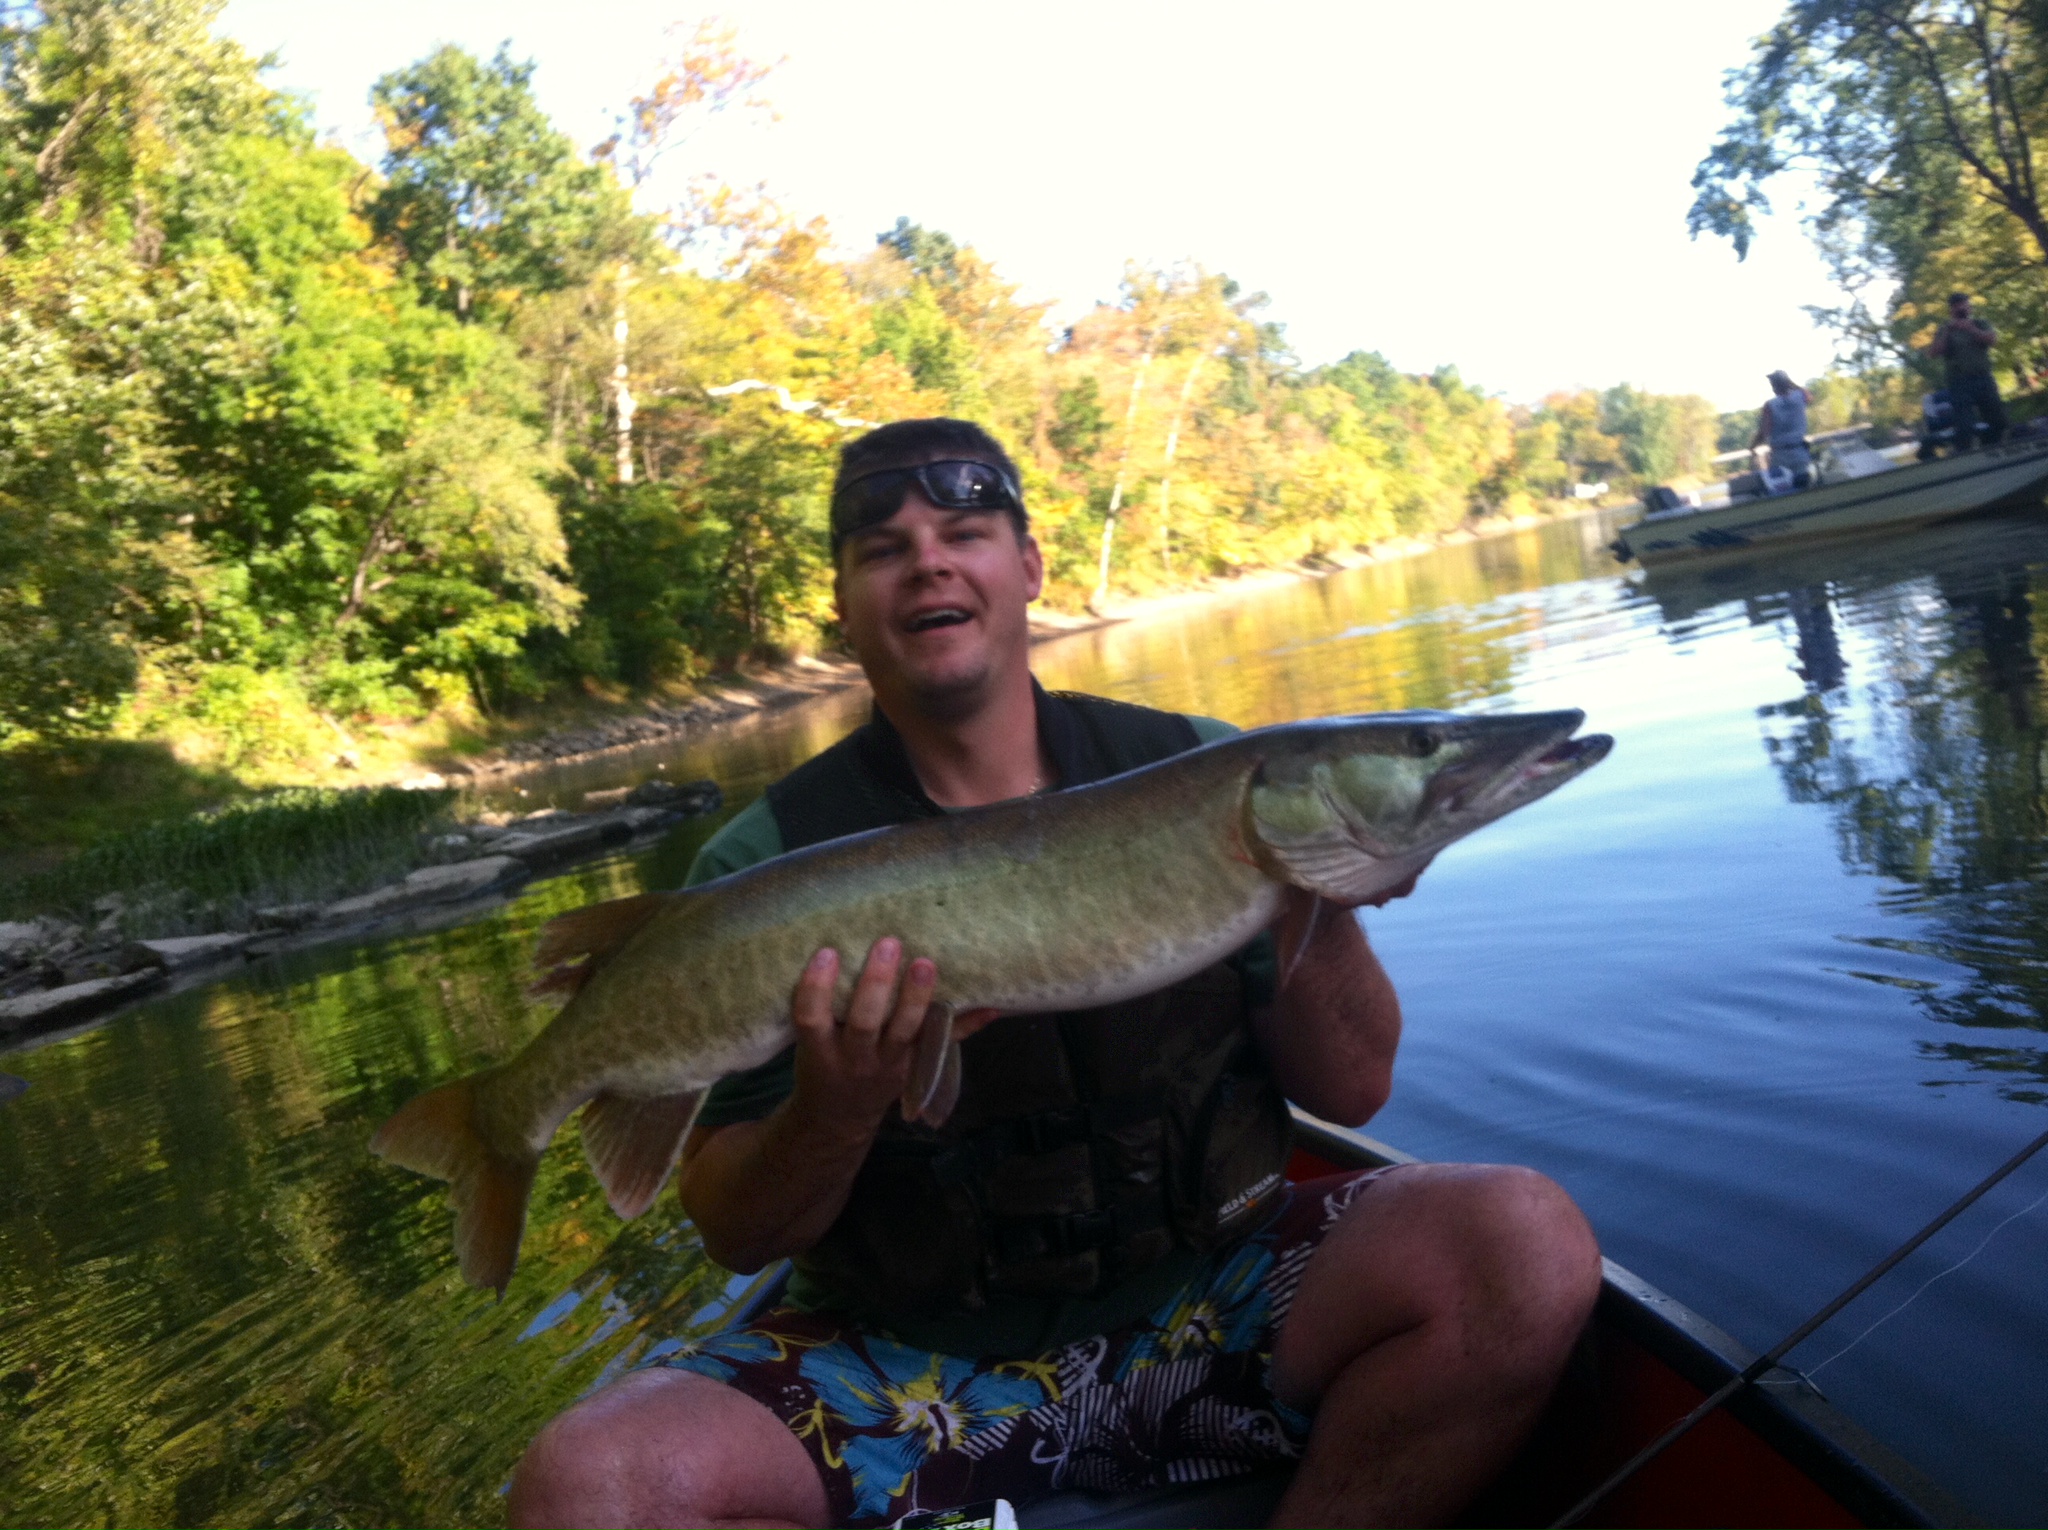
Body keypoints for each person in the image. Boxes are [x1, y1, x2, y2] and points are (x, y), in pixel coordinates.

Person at [506, 418, 1602, 1530]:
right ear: (841, 603)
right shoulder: (758, 860)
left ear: (1026, 568)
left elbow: (1354, 1092)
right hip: (912, 1365)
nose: (927, 561)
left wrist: (1311, 894)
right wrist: (835, 1110)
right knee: (589, 1488)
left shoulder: (1197, 764)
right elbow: (738, 1234)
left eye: (964, 532)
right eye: (882, 549)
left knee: (1520, 1239)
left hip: (1212, 1300)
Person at [1928, 291, 2006, 452]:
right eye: (1957, 306)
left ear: (1969, 307)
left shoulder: (1980, 323)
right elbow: (1933, 353)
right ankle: (1963, 456)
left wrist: (1971, 329)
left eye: (1964, 305)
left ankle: (1990, 449)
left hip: (1983, 379)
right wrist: (1948, 331)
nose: (1961, 309)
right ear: (1951, 310)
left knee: (1999, 421)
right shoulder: (1945, 329)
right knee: (1964, 426)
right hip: (1960, 383)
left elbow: (1992, 340)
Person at [1751, 369, 1813, 490]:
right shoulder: (1799, 397)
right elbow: (1809, 396)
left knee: (1782, 490)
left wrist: (1753, 446)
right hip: (1800, 451)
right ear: (1788, 382)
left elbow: (1764, 432)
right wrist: (1791, 384)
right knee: (1804, 486)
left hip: (1780, 455)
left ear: (1774, 387)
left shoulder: (1770, 405)